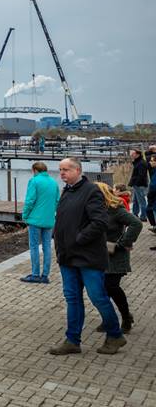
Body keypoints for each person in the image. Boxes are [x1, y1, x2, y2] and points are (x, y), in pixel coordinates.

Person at [49, 158, 125, 355]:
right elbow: (63, 219)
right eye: (60, 170)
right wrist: (56, 235)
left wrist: (79, 238)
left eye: (66, 170)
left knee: (97, 296)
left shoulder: (91, 191)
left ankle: (115, 335)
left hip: (88, 256)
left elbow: (100, 222)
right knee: (72, 298)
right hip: (67, 256)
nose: (62, 173)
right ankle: (72, 340)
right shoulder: (67, 191)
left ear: (78, 170)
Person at [95, 183, 142, 333]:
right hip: (101, 255)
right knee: (103, 289)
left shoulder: (116, 209)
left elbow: (136, 223)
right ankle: (108, 319)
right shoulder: (96, 209)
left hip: (116, 255)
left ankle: (126, 318)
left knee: (111, 287)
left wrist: (123, 243)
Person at [20, 162, 59, 284]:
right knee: (47, 247)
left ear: (35, 170)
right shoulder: (54, 182)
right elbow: (57, 201)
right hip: (49, 220)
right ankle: (45, 275)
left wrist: (25, 215)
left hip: (35, 220)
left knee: (34, 246)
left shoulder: (34, 181)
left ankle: (35, 274)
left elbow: (30, 200)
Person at [128, 149, 149, 219]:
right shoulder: (138, 162)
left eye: (133, 154)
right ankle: (135, 214)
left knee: (142, 201)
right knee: (135, 200)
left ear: (138, 154)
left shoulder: (141, 163)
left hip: (140, 185)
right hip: (137, 184)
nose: (131, 155)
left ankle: (143, 216)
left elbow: (141, 175)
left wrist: (136, 183)